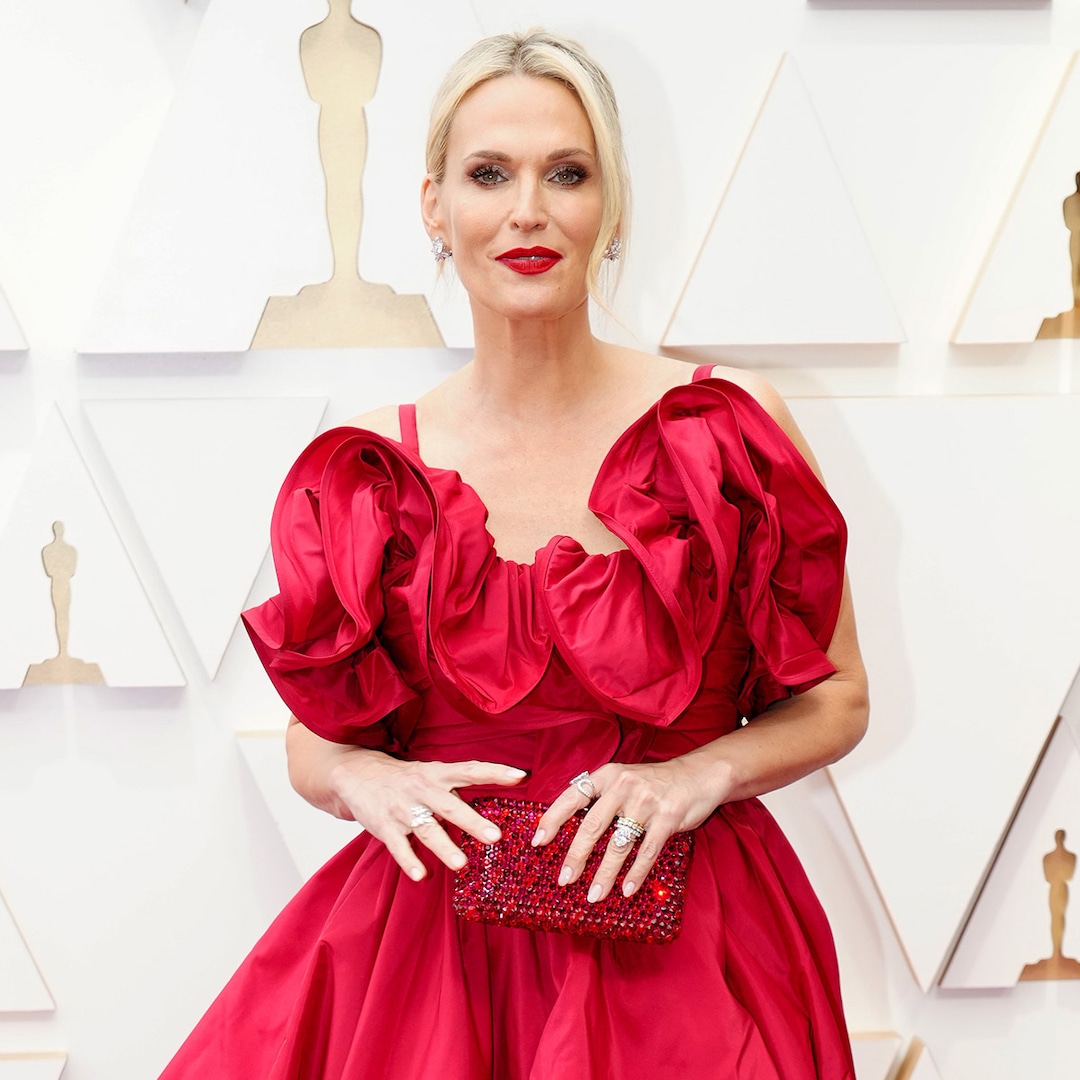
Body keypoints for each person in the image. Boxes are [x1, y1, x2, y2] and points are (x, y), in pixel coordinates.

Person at [159, 28, 868, 1079]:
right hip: (431, 966)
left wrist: (703, 773)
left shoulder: (727, 427)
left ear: (611, 206)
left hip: (691, 951)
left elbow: (840, 697)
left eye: (567, 173)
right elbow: (316, 739)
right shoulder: (372, 468)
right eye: (489, 174)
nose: (528, 210)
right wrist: (361, 778)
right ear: (434, 206)